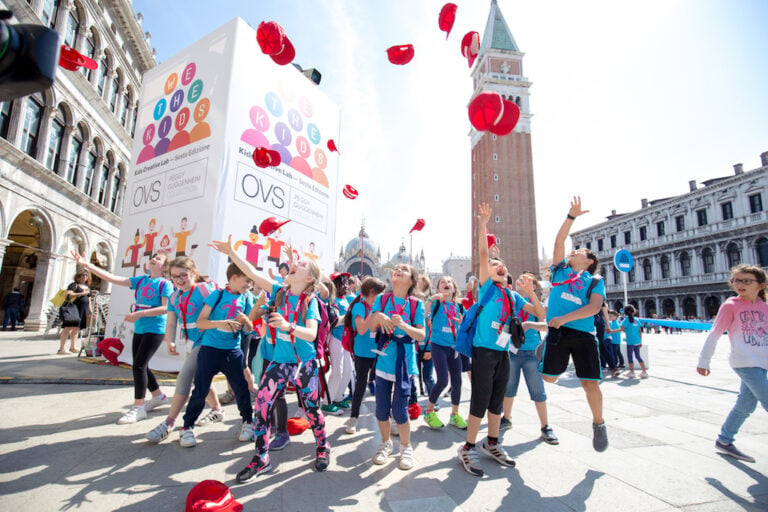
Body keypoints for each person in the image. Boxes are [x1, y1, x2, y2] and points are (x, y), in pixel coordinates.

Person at [209, 236, 329, 482]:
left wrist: (288, 326)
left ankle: (322, 446)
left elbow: (312, 333)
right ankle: (261, 457)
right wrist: (232, 253)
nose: (294, 264)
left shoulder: (311, 301)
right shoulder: (279, 292)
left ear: (308, 278)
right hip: (280, 362)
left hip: (304, 364)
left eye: (301, 265)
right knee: (262, 407)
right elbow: (252, 272)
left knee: (312, 409)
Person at [540, 196, 608, 452]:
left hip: (582, 335)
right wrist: (571, 217)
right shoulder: (560, 272)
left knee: (589, 383)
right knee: (548, 378)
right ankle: (543, 352)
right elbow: (559, 241)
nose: (573, 251)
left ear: (589, 261)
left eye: (579, 251)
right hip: (558, 333)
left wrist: (563, 318)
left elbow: (593, 308)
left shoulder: (594, 280)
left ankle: (599, 424)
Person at [73, 251, 173, 424]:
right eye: (153, 256)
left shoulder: (165, 284)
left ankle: (138, 407)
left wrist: (140, 313)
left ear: (164, 267)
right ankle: (158, 396)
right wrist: (88, 265)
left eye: (158, 259)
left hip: (155, 328)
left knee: (140, 365)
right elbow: (113, 279)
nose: (153, 259)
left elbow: (166, 308)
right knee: (139, 364)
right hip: (140, 327)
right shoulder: (141, 280)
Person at [457, 203, 518, 477]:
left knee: (497, 401)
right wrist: (482, 224)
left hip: (503, 353)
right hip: (483, 351)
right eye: (493, 265)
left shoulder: (510, 296)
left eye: (501, 264)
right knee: (480, 400)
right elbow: (483, 254)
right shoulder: (486, 290)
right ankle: (468, 447)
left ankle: (491, 443)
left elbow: (535, 315)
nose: (498, 266)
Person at [145, 257, 227, 444]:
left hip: (208, 341)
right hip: (191, 342)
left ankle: (169, 422)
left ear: (193, 274)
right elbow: (172, 321)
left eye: (183, 275)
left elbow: (222, 308)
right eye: (174, 277)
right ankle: (217, 410)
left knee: (185, 378)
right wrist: (170, 341)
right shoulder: (174, 297)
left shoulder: (205, 289)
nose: (179, 280)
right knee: (201, 378)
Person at [179, 262, 259, 448]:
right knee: (201, 388)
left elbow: (249, 328)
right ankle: (187, 427)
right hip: (210, 349)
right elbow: (201, 322)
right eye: (247, 281)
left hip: (233, 351)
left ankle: (248, 422)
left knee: (241, 388)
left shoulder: (246, 298)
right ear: (234, 278)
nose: (249, 285)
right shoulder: (217, 295)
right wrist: (220, 323)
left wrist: (246, 320)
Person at [697, 264, 768, 463]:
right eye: (737, 280)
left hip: (762, 362)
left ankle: (724, 441)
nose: (740, 284)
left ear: (760, 285)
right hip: (744, 362)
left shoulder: (764, 307)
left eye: (747, 281)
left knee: (745, 405)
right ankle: (725, 440)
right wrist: (704, 360)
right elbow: (715, 333)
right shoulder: (731, 305)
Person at [367, 264, 426, 470]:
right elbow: (370, 327)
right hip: (383, 362)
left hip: (405, 365)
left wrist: (404, 326)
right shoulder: (382, 300)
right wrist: (378, 316)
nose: (398, 270)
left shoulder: (415, 304)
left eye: (405, 269)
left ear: (411, 281)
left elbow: (421, 335)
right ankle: (385, 443)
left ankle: (406, 447)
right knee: (381, 408)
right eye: (397, 268)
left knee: (400, 410)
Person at [500, 273, 556, 444]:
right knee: (509, 388)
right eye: (520, 278)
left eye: (526, 280)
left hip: (531, 351)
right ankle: (506, 418)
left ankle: (545, 426)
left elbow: (546, 322)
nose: (521, 281)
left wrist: (530, 324)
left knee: (537, 390)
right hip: (511, 351)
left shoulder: (537, 302)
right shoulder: (512, 298)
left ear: (534, 285)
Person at [423, 276, 467, 430]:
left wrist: (463, 323)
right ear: (438, 289)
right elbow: (424, 313)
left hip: (454, 348)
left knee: (457, 382)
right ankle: (429, 411)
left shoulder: (459, 307)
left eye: (449, 282)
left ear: (454, 288)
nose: (446, 284)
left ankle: (454, 415)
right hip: (438, 345)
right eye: (443, 282)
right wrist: (432, 298)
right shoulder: (435, 303)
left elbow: (467, 324)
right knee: (442, 379)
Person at [344, 277, 387, 434]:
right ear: (372, 292)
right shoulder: (359, 307)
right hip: (362, 353)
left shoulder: (382, 306)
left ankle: (388, 419)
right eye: (380, 293)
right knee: (361, 385)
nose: (383, 297)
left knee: (384, 386)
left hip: (379, 351)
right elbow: (361, 329)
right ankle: (354, 417)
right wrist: (374, 313)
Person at [324, 272, 353, 414]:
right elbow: (333, 322)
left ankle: (338, 397)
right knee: (337, 372)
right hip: (336, 339)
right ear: (335, 286)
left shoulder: (346, 300)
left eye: (347, 283)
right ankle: (327, 402)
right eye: (343, 283)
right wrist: (348, 317)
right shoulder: (333, 301)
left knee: (348, 371)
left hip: (346, 340)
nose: (346, 286)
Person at [57, 270, 92, 354]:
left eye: (86, 275)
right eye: (82, 275)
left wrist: (90, 310)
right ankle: (61, 348)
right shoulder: (74, 285)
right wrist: (81, 293)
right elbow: (68, 294)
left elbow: (89, 300)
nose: (84, 277)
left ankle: (72, 347)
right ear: (78, 277)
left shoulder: (87, 287)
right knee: (68, 327)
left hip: (83, 309)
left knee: (77, 328)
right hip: (73, 308)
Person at [613, 305, 647, 378]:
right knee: (638, 356)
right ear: (633, 311)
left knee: (630, 356)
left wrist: (612, 331)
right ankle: (644, 371)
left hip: (630, 341)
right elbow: (640, 332)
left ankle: (632, 372)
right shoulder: (637, 320)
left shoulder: (626, 320)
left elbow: (621, 329)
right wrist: (641, 341)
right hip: (637, 340)